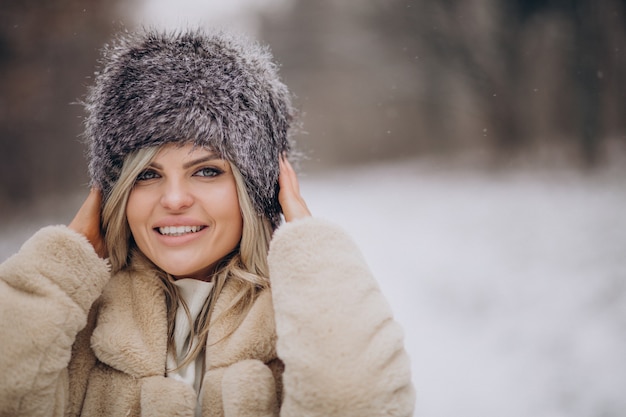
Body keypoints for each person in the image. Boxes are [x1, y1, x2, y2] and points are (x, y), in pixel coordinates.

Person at [0, 29, 415, 417]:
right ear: (115, 194)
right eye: (147, 174)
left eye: (207, 171)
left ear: (257, 188)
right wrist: (55, 273)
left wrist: (312, 248)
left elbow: (355, 401)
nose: (175, 199)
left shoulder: (298, 312)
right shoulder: (73, 323)